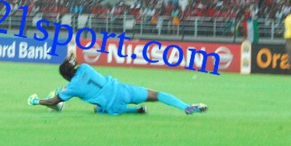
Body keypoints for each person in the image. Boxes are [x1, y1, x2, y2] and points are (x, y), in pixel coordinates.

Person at [28, 52, 207, 116]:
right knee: (157, 95)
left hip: (113, 106)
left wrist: (37, 101)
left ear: (65, 77)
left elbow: (53, 101)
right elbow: (73, 57)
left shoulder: (71, 87)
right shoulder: (85, 68)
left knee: (98, 110)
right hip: (122, 90)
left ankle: (134, 111)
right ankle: (186, 107)